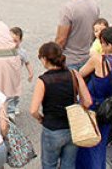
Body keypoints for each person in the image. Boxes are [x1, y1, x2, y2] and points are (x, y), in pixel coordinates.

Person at [76, 27, 112, 169]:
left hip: (91, 106)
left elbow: (80, 74)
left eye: (102, 43)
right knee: (100, 144)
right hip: (109, 108)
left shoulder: (98, 60)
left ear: (109, 45)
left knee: (85, 146)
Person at [30, 41, 91, 169]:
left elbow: (33, 110)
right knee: (68, 165)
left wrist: (41, 119)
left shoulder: (43, 80)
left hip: (52, 129)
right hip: (72, 127)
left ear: (45, 59)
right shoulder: (74, 74)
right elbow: (87, 101)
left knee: (49, 164)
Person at [55, 0, 100, 70]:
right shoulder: (93, 4)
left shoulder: (68, 8)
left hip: (70, 60)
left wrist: (53, 58)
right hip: (87, 58)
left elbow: (61, 39)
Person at [7, 28, 33, 118]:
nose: (13, 43)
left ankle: (15, 105)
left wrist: (30, 73)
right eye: (10, 40)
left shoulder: (22, 52)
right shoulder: (6, 51)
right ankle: (10, 110)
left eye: (15, 41)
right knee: (9, 94)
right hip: (7, 76)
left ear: (20, 41)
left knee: (16, 94)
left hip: (17, 77)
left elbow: (27, 63)